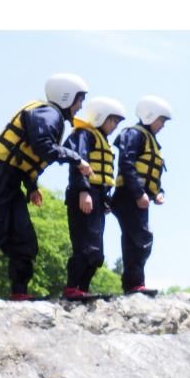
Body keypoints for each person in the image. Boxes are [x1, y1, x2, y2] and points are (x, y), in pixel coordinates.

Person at [0, 73, 92, 300]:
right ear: (66, 97)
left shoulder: (51, 116)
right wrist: (77, 159)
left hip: (10, 181)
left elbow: (26, 157)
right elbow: (43, 146)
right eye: (79, 100)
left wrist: (31, 186)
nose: (80, 107)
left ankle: (19, 293)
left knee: (24, 241)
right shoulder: (47, 113)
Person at [61, 97, 126, 301]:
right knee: (84, 246)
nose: (114, 126)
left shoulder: (102, 140)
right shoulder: (84, 135)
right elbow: (77, 162)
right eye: (112, 121)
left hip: (96, 196)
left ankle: (82, 289)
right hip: (84, 194)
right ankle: (72, 287)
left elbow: (103, 175)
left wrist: (105, 199)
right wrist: (83, 191)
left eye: (117, 122)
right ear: (100, 117)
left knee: (96, 253)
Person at [111, 95, 172, 295]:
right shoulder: (133, 134)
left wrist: (157, 193)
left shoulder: (151, 141)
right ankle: (134, 284)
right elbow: (127, 164)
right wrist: (138, 193)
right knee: (139, 238)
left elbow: (151, 174)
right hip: (128, 195)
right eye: (161, 120)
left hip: (138, 196)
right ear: (150, 115)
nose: (163, 125)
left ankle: (135, 284)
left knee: (139, 239)